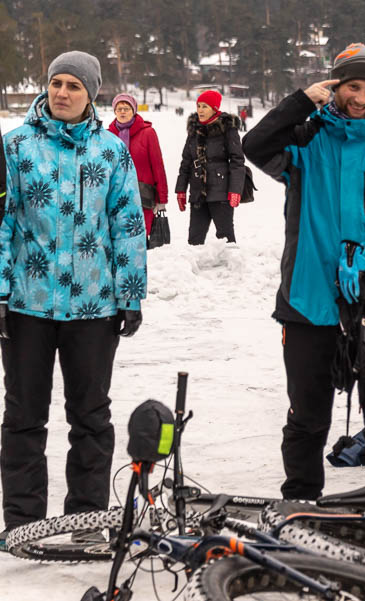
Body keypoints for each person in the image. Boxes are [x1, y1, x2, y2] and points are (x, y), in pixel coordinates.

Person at [243, 43, 365, 500]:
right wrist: (300, 103)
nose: (361, 97)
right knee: (307, 416)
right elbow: (254, 145)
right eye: (352, 86)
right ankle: (302, 504)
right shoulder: (305, 142)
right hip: (309, 301)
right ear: (336, 87)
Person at [0, 51, 147, 548]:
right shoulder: (14, 147)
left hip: (94, 308)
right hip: (27, 307)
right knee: (23, 417)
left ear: (92, 95)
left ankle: (86, 521)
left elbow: (127, 227)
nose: (62, 92)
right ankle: (24, 524)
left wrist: (130, 295)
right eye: (56, 83)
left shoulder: (111, 152)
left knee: (91, 417)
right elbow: (2, 224)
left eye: (74, 86)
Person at [175, 89, 244, 245]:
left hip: (221, 190)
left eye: (205, 106)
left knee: (225, 237)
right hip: (198, 191)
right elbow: (185, 162)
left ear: (214, 108)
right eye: (198, 106)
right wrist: (181, 189)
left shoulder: (227, 129)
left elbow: (237, 161)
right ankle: (191, 268)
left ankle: (232, 266)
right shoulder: (194, 130)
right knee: (194, 238)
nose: (200, 110)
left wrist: (235, 190)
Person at [108, 93, 168, 239]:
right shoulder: (108, 135)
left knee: (140, 238)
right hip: (116, 194)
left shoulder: (148, 133)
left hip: (143, 195)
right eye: (119, 108)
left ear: (134, 111)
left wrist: (162, 198)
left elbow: (157, 166)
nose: (122, 112)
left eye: (126, 108)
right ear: (115, 111)